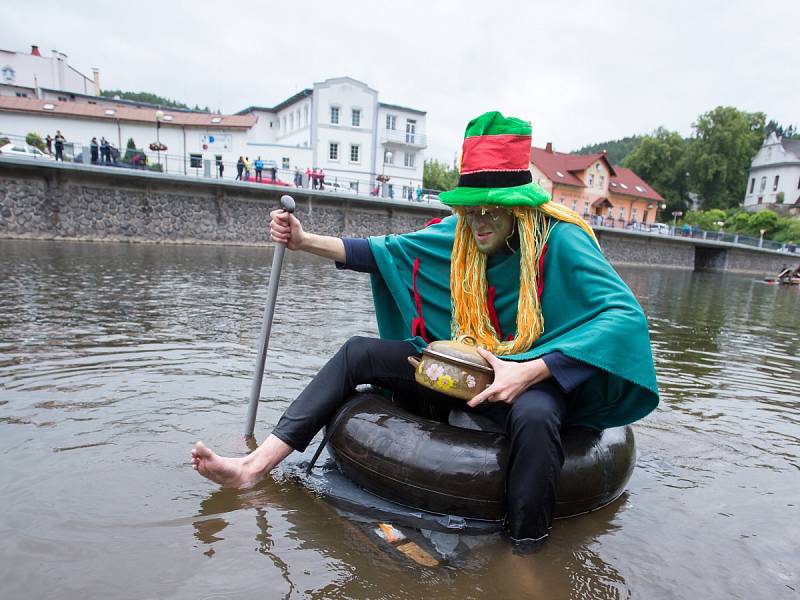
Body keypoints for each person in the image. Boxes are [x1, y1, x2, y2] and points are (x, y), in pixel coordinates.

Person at [190, 111, 659, 549]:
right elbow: (385, 251)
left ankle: (525, 554)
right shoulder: (462, 235)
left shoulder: (561, 238)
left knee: (536, 419)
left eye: (489, 210)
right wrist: (303, 240)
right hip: (469, 369)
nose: (476, 221)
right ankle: (253, 467)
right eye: (469, 209)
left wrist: (531, 371)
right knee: (358, 353)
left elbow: (623, 317)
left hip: (532, 377)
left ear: (517, 208)